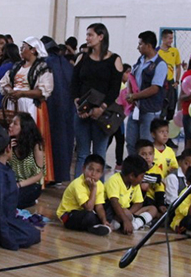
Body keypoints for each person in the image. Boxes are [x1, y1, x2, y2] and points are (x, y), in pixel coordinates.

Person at [71, 23, 123, 178]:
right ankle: (78, 190)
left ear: (101, 37)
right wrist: (78, 104)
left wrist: (101, 108)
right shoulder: (82, 57)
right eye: (86, 35)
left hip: (102, 112)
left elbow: (114, 89)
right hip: (82, 111)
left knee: (99, 154)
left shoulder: (114, 59)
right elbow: (74, 84)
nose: (87, 38)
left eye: (90, 35)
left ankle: (98, 193)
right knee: (82, 154)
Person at [0, 131, 41, 250]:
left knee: (33, 232)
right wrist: (7, 239)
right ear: (7, 149)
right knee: (31, 235)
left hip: (6, 217)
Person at [124, 31, 167, 156]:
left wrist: (135, 96)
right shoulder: (140, 60)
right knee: (131, 142)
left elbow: (155, 88)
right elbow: (131, 78)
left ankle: (145, 172)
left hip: (150, 110)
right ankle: (133, 168)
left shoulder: (160, 64)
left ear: (148, 45)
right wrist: (130, 93)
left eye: (140, 44)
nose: (138, 47)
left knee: (146, 144)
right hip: (135, 108)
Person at [41, 38, 75, 183]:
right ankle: (61, 175)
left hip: (50, 108)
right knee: (65, 142)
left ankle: (49, 176)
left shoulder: (45, 63)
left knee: (49, 141)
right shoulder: (67, 65)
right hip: (68, 109)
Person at [56, 154, 110, 235]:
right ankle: (92, 226)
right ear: (84, 168)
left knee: (109, 206)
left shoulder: (100, 184)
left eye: (98, 171)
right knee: (89, 216)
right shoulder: (78, 184)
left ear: (102, 174)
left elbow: (99, 206)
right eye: (91, 169)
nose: (93, 174)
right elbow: (89, 208)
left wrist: (104, 221)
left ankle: (100, 225)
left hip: (85, 212)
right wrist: (93, 189)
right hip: (69, 215)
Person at [104, 154, 156, 235]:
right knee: (125, 213)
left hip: (126, 212)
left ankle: (134, 224)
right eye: (141, 176)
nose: (142, 179)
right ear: (132, 176)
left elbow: (139, 203)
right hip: (112, 211)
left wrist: (129, 214)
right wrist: (126, 219)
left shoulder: (134, 183)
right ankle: (112, 225)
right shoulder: (114, 180)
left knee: (153, 209)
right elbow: (114, 202)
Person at [8, 112, 45, 209]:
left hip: (31, 185)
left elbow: (39, 175)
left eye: (15, 124)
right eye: (11, 122)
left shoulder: (36, 146)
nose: (10, 125)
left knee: (11, 201)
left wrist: (19, 185)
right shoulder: (10, 142)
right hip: (14, 181)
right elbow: (6, 166)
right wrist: (8, 151)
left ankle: (31, 201)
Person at [157, 29, 182, 121]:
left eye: (172, 38)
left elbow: (178, 66)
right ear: (163, 38)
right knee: (160, 109)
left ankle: (168, 131)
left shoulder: (175, 51)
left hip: (170, 82)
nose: (171, 40)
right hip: (160, 83)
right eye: (169, 38)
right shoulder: (157, 51)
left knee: (171, 108)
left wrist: (177, 81)